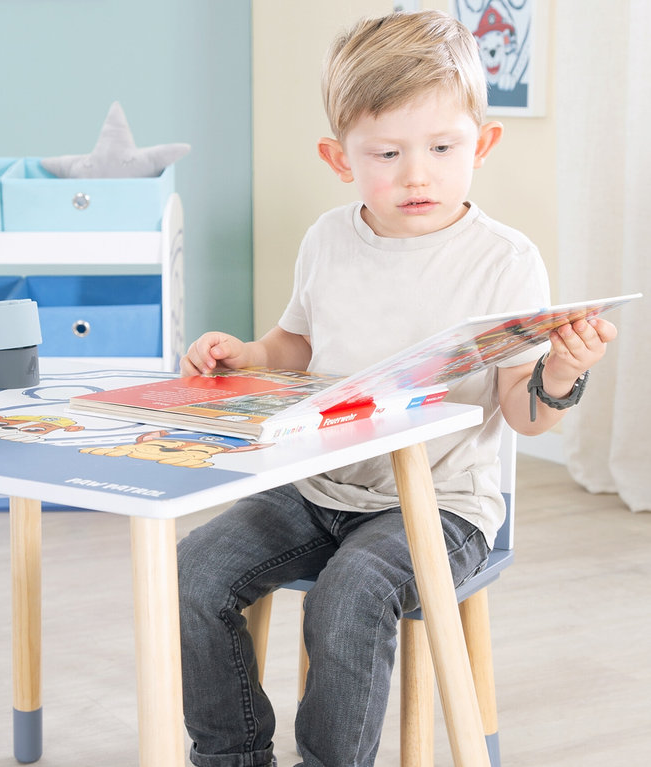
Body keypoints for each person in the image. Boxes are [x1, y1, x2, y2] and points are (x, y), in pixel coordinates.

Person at [176, 10, 617, 767]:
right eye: (386, 152)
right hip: (320, 488)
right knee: (196, 571)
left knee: (347, 596)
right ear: (339, 157)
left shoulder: (506, 260)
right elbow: (298, 346)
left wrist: (560, 374)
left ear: (483, 144)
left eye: (443, 148)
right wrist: (248, 353)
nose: (417, 173)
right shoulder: (327, 239)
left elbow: (522, 411)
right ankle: (232, 756)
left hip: (444, 506)